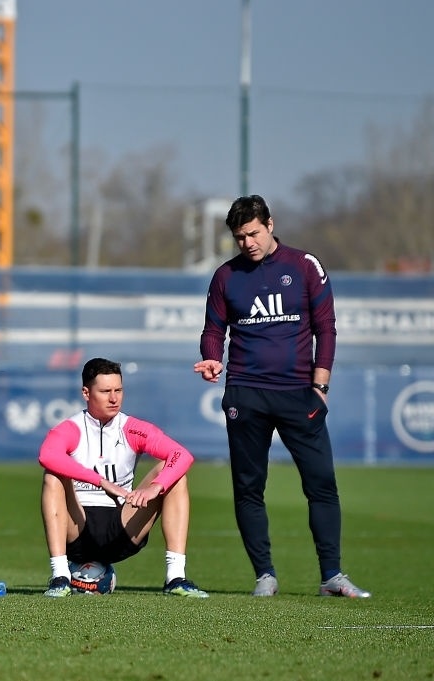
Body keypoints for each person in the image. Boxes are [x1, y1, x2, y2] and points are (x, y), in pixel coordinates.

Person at [194, 194, 370, 598]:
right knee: (249, 488)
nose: (247, 243)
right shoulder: (225, 276)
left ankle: (331, 577)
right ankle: (265, 576)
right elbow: (213, 329)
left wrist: (320, 387)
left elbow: (326, 329)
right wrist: (210, 358)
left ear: (270, 224)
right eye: (239, 237)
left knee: (322, 484)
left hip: (298, 395)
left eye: (253, 233)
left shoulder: (305, 266)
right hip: (245, 394)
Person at [39, 357, 209, 598]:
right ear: (86, 393)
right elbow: (48, 455)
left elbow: (181, 455)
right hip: (76, 529)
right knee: (53, 476)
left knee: (174, 475)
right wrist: (100, 481)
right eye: (105, 391)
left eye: (118, 390)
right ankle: (60, 577)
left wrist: (155, 488)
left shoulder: (132, 428)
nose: (114, 398)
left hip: (122, 526)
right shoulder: (71, 428)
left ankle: (175, 577)